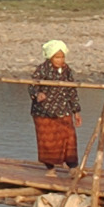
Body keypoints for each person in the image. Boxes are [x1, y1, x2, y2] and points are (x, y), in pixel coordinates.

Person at [30, 39, 81, 170]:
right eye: (57, 57)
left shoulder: (67, 70)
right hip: (44, 111)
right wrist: (38, 94)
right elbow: (32, 84)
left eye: (62, 57)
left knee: (69, 137)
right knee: (48, 140)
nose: (60, 60)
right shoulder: (42, 69)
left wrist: (76, 111)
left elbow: (72, 90)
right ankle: (50, 167)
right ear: (50, 57)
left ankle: (73, 166)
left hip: (63, 109)